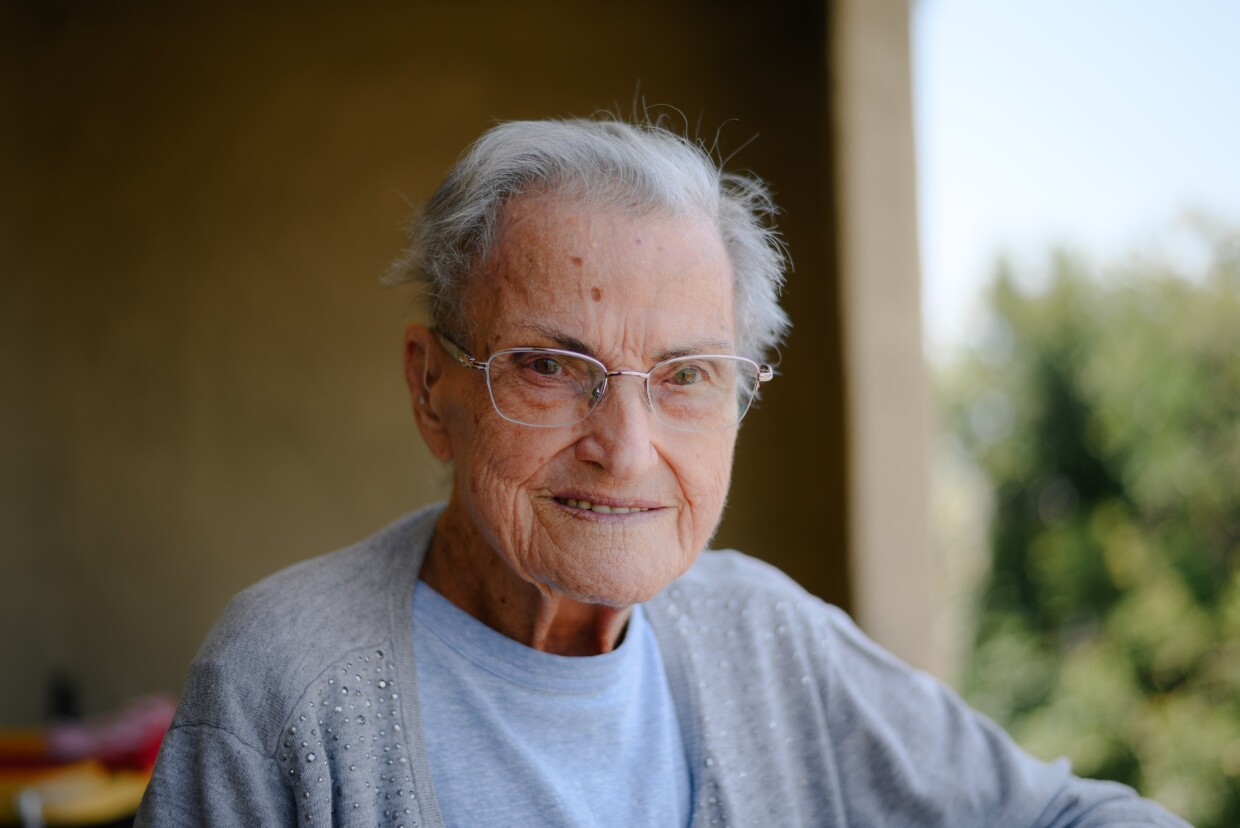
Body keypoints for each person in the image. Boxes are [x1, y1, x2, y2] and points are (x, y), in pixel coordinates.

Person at [135, 117, 1189, 826]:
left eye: (686, 375)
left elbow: (1060, 815)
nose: (626, 448)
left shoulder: (768, 640)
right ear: (430, 389)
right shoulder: (284, 687)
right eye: (551, 367)